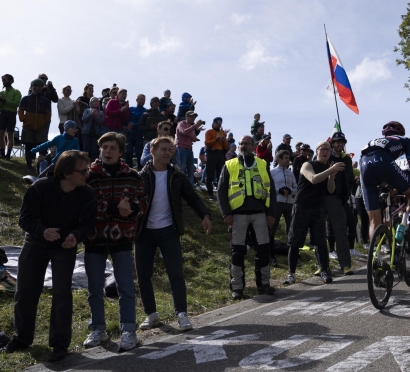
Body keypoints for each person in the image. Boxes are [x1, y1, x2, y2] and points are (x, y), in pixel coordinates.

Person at [5, 151, 96, 362]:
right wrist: (42, 231)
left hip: (65, 247)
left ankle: (59, 344)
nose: (87, 174)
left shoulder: (87, 194)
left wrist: (75, 235)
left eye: (87, 170)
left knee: (62, 293)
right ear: (65, 173)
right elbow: (25, 219)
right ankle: (22, 338)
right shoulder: (40, 187)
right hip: (35, 243)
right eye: (82, 171)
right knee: (26, 291)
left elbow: (88, 225)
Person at [135, 136, 212, 331]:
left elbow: (193, 198)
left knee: (175, 273)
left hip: (169, 231)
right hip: (144, 232)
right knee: (143, 275)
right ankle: (151, 315)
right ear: (152, 152)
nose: (168, 153)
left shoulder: (178, 176)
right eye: (163, 149)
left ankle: (181, 314)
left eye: (170, 149)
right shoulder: (140, 177)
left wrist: (205, 215)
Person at [83, 132, 147, 351]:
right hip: (94, 238)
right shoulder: (88, 176)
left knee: (125, 286)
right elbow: (84, 206)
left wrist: (134, 209)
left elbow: (143, 203)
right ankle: (98, 329)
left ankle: (129, 330)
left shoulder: (133, 176)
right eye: (104, 147)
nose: (107, 151)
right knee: (94, 288)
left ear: (121, 152)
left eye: (112, 148)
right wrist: (110, 208)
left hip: (123, 238)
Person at [359, 121, 410, 258]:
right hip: (384, 163)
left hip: (364, 165)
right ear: (401, 133)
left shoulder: (373, 141)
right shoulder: (405, 141)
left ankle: (376, 259)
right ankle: (409, 229)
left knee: (374, 221)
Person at [217, 135, 276, 300]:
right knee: (237, 252)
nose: (244, 146)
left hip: (259, 213)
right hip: (237, 215)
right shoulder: (230, 165)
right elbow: (221, 191)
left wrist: (270, 213)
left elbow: (271, 190)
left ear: (253, 146)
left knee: (264, 249)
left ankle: (263, 284)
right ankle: (237, 288)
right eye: (241, 144)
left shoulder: (262, 164)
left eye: (247, 144)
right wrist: (226, 213)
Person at [283, 141, 343, 285]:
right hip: (302, 205)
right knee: (295, 241)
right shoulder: (307, 164)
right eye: (323, 149)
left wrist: (331, 177)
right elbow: (313, 179)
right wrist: (330, 170)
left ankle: (324, 270)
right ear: (316, 151)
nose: (326, 152)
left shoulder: (328, 167)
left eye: (328, 150)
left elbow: (330, 190)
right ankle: (291, 273)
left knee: (321, 241)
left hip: (318, 207)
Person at [323, 132, 356, 272]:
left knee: (350, 223)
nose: (340, 144)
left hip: (343, 198)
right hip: (329, 197)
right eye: (337, 142)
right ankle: (333, 265)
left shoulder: (347, 159)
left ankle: (344, 263)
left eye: (342, 142)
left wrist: (348, 194)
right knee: (335, 229)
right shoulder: (327, 156)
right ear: (332, 143)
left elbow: (350, 178)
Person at [269, 149, 297, 267]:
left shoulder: (290, 173)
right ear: (279, 159)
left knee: (291, 231)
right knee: (272, 230)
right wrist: (278, 190)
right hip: (277, 203)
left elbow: (296, 187)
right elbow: (268, 187)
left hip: (289, 203)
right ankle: (271, 258)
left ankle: (293, 259)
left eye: (288, 158)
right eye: (285, 158)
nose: (288, 160)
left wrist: (291, 191)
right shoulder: (272, 172)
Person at [19, 79, 52, 171]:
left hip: (40, 128)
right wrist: (24, 119)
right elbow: (20, 110)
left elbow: (48, 113)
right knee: (29, 145)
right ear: (32, 86)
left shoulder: (45, 101)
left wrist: (44, 121)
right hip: (28, 126)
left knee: (43, 146)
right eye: (37, 86)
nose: (39, 88)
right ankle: (29, 163)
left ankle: (41, 164)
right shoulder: (26, 98)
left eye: (41, 86)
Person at [0, 74, 22, 159]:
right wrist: (1, 101)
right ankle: (2, 153)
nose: (3, 82)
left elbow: (16, 104)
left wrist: (5, 101)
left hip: (11, 114)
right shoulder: (1, 92)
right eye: (3, 80)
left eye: (5, 80)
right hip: (2, 113)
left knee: (10, 134)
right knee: (0, 133)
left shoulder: (16, 92)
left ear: (10, 81)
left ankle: (8, 154)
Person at [176, 111, 205, 183]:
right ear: (186, 116)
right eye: (191, 116)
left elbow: (194, 139)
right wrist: (194, 126)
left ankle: (190, 189)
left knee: (190, 171)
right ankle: (180, 188)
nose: (193, 118)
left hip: (190, 150)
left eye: (194, 117)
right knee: (181, 170)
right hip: (181, 149)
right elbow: (184, 132)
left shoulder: (191, 127)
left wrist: (188, 133)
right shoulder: (181, 123)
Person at [204, 117, 229, 200]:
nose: (219, 124)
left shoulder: (223, 133)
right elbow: (207, 143)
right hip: (212, 154)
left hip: (221, 154)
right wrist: (216, 139)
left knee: (221, 175)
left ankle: (220, 194)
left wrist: (224, 140)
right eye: (217, 122)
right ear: (213, 123)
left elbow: (226, 147)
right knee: (210, 174)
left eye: (220, 122)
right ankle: (210, 193)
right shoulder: (209, 132)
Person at [29, 73, 58, 137]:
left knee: (43, 136)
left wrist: (52, 88)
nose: (44, 80)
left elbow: (55, 100)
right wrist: (42, 89)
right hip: (34, 114)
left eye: (46, 79)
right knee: (32, 135)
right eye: (42, 78)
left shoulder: (49, 89)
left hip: (46, 116)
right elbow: (31, 96)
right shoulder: (33, 87)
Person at [125, 94, 147, 169]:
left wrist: (135, 124)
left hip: (139, 135)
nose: (143, 101)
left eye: (144, 99)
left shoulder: (145, 111)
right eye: (141, 99)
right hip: (130, 134)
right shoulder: (130, 109)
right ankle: (129, 171)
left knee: (139, 154)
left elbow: (145, 123)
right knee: (129, 153)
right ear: (136, 100)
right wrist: (129, 124)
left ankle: (140, 172)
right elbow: (125, 119)